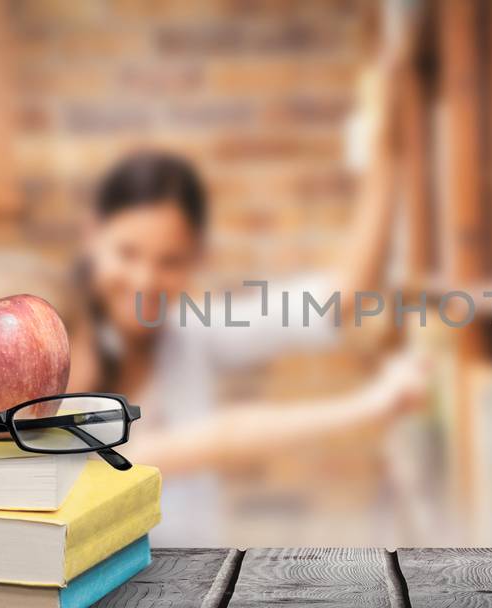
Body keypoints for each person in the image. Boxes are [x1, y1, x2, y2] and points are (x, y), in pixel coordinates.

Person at [67, 82, 423, 545]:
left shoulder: (185, 333)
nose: (145, 280)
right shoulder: (62, 353)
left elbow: (340, 297)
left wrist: (388, 157)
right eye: (127, 253)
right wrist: (371, 406)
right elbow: (223, 436)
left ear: (197, 258)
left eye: (169, 261)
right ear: (91, 236)